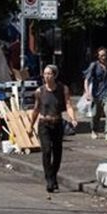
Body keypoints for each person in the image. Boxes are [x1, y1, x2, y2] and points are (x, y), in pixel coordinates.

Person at [29, 65, 77, 193]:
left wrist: (73, 118)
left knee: (57, 152)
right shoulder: (40, 91)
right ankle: (49, 180)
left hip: (57, 123)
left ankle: (53, 176)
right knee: (46, 151)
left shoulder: (63, 89)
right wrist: (30, 126)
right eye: (45, 74)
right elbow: (36, 109)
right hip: (44, 124)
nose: (47, 76)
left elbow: (68, 105)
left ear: (55, 75)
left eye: (49, 74)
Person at [84, 47, 107, 141]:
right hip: (97, 95)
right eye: (101, 55)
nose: (103, 57)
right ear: (98, 56)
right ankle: (94, 130)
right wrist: (87, 93)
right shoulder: (94, 65)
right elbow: (87, 80)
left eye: (104, 55)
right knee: (96, 115)